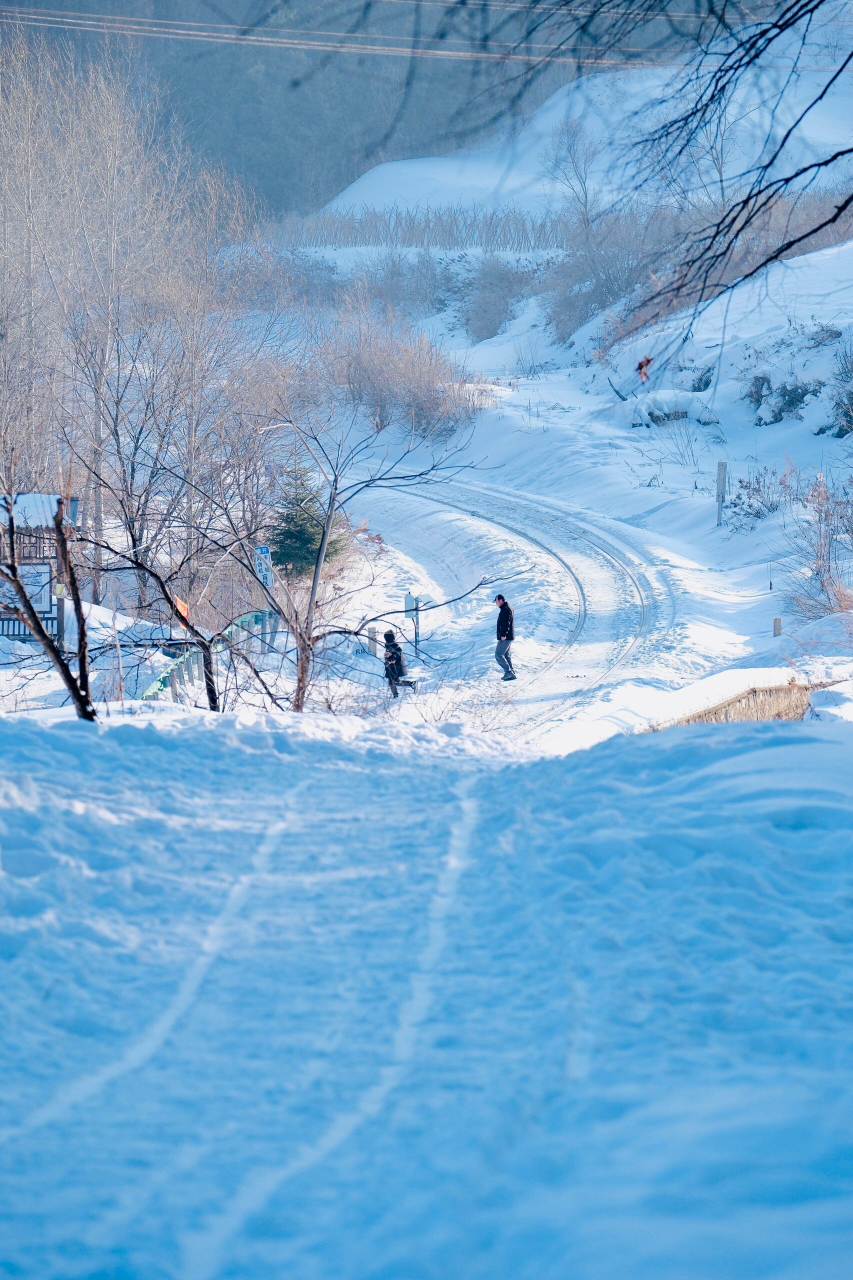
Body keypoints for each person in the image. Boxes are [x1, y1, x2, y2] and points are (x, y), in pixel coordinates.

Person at [384, 629, 415, 697]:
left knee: (393, 682)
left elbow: (396, 655)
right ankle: (410, 684)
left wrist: (390, 659)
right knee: (394, 682)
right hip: (391, 667)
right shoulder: (389, 645)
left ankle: (395, 695)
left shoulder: (394, 646)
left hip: (394, 667)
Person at [494, 594, 516, 680]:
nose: (496, 603)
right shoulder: (505, 608)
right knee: (506, 654)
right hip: (508, 636)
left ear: (500, 600)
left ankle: (508, 672)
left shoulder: (506, 609)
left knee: (498, 655)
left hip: (506, 636)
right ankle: (510, 672)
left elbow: (506, 623)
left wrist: (503, 634)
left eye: (496, 601)